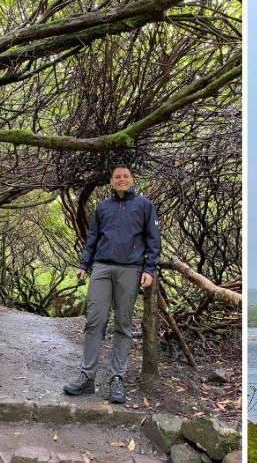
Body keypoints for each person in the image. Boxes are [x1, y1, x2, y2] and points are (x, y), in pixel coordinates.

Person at [63, 165, 161, 404]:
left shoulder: (144, 206)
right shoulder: (102, 207)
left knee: (124, 324)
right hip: (101, 267)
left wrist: (150, 268)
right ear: (111, 181)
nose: (121, 180)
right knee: (94, 321)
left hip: (130, 269)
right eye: (117, 177)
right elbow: (93, 238)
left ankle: (117, 378)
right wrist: (84, 264)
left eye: (125, 176)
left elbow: (153, 239)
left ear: (132, 179)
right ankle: (87, 378)